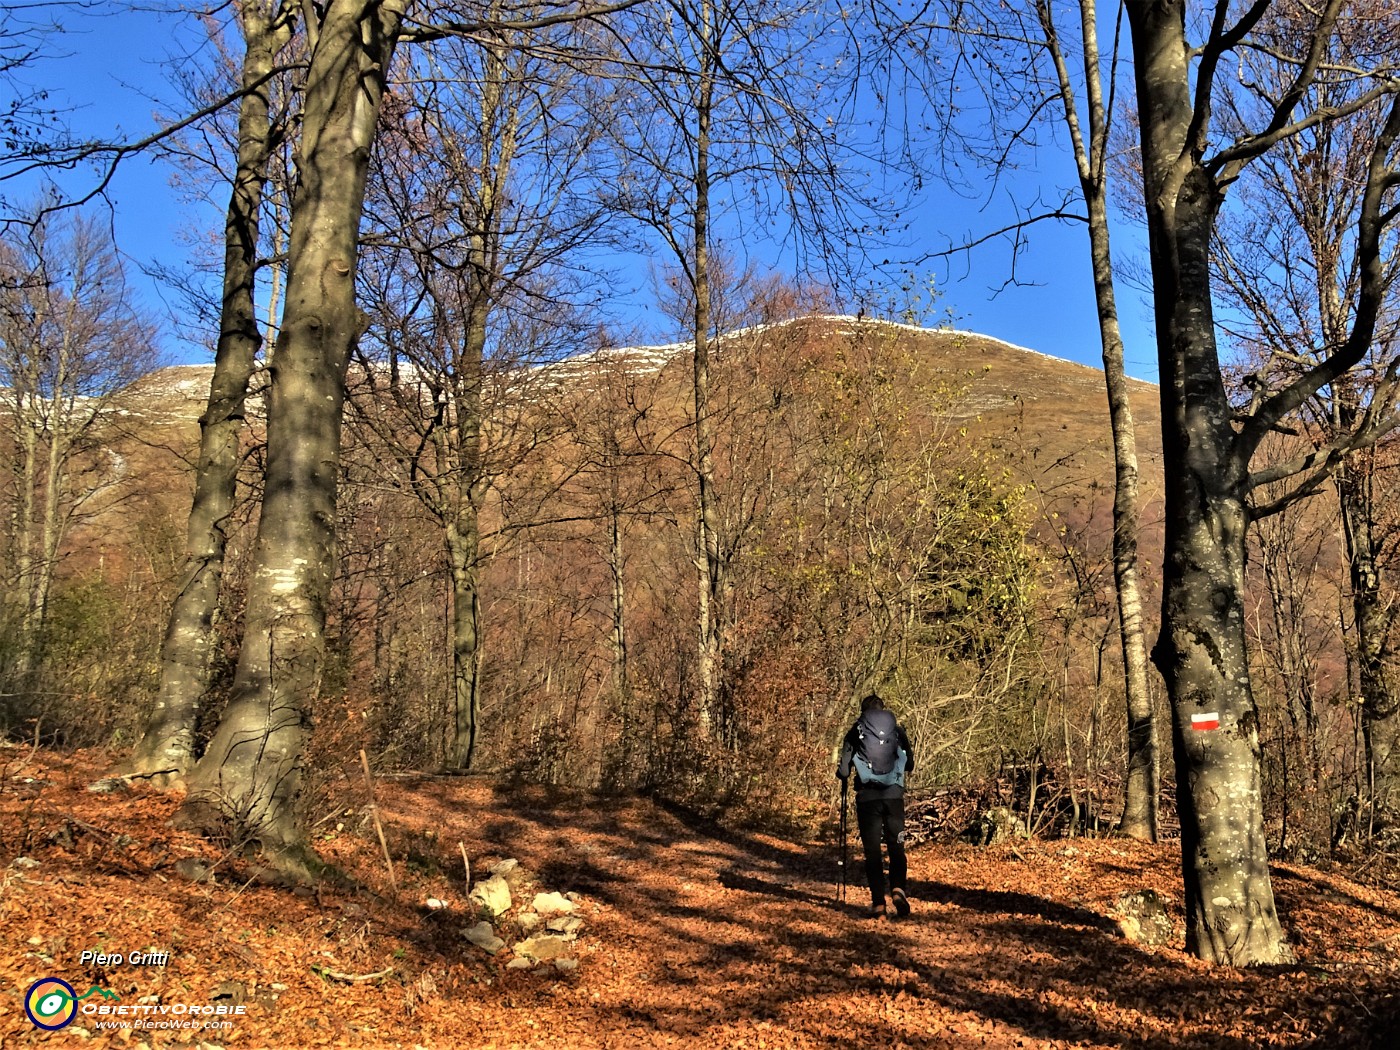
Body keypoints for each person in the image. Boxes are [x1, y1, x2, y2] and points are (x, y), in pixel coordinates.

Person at [837, 693, 915, 919]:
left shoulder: (856, 732)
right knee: (896, 846)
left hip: (867, 799)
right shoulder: (897, 732)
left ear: (864, 712)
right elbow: (909, 763)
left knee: (872, 852)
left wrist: (844, 772)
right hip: (893, 797)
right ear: (883, 710)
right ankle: (898, 888)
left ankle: (878, 904)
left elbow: (843, 771)